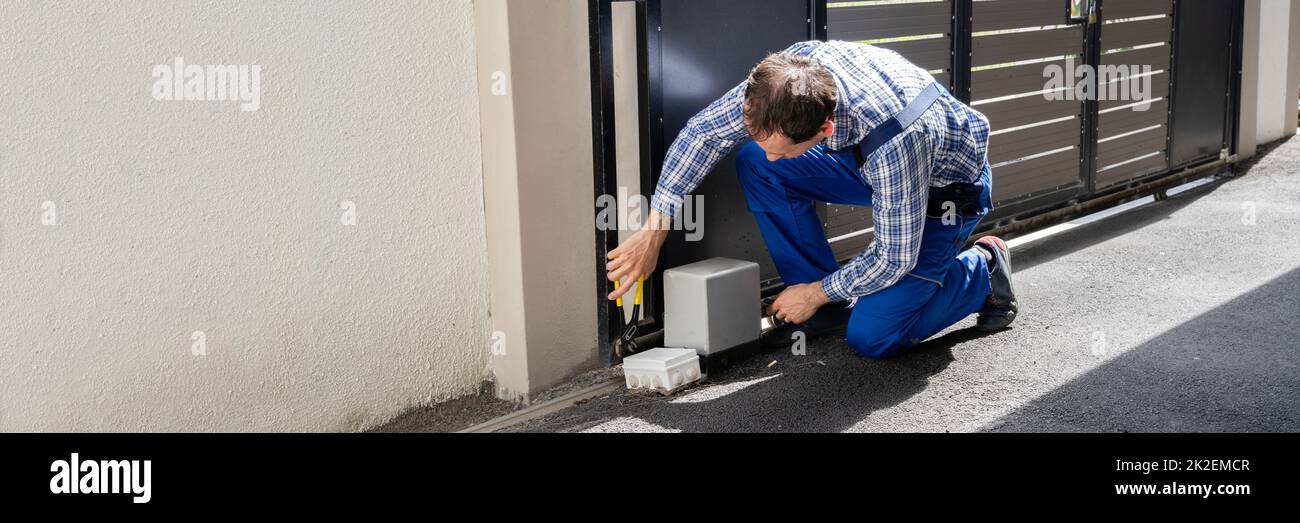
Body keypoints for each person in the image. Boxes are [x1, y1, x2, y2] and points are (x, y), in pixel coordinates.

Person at [605, 40, 1017, 358]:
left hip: (943, 193)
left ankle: (983, 270)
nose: (773, 155)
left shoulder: (896, 138)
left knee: (874, 338)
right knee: (755, 163)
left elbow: (894, 257)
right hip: (875, 167)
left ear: (824, 129)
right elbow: (702, 134)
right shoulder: (784, 83)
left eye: (783, 149)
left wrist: (815, 292)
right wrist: (654, 229)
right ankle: (826, 311)